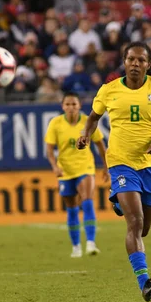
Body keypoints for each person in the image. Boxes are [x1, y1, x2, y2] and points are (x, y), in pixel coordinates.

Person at [77, 42, 151, 302]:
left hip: (150, 165)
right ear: (124, 62)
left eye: (141, 60)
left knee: (143, 228)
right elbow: (92, 117)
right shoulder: (109, 90)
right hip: (121, 162)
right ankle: (144, 282)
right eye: (131, 59)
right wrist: (85, 134)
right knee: (134, 224)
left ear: (148, 64)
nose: (135, 64)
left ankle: (121, 202)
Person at [45, 92, 108, 258]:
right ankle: (76, 246)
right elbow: (50, 150)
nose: (71, 107)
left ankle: (91, 243)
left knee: (87, 201)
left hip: (85, 168)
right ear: (62, 106)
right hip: (65, 170)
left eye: (74, 104)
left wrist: (106, 167)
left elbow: (101, 146)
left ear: (80, 106)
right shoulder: (55, 124)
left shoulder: (88, 122)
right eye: (68, 104)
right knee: (72, 209)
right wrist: (54, 167)